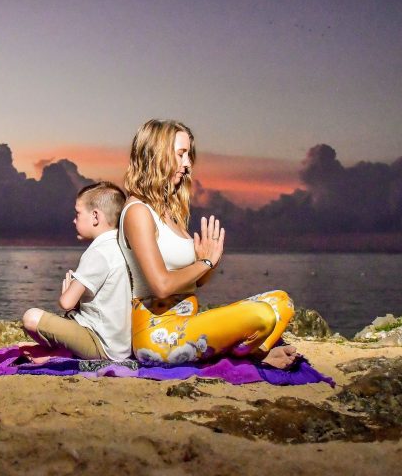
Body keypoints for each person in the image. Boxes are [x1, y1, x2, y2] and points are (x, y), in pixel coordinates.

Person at [118, 119, 299, 369]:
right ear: (156, 155)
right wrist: (205, 261)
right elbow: (161, 286)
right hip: (157, 336)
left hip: (187, 322)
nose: (188, 164)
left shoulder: (171, 212)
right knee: (262, 316)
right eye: (181, 154)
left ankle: (249, 352)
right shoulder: (138, 211)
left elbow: (198, 281)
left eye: (188, 155)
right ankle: (254, 356)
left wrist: (210, 261)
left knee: (281, 301)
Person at [22, 181, 132, 361]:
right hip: (122, 345)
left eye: (78, 213)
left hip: (101, 344)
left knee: (31, 317)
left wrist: (69, 294)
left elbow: (66, 303)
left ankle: (59, 354)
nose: (74, 220)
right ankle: (57, 353)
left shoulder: (98, 252)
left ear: (95, 216)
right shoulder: (123, 246)